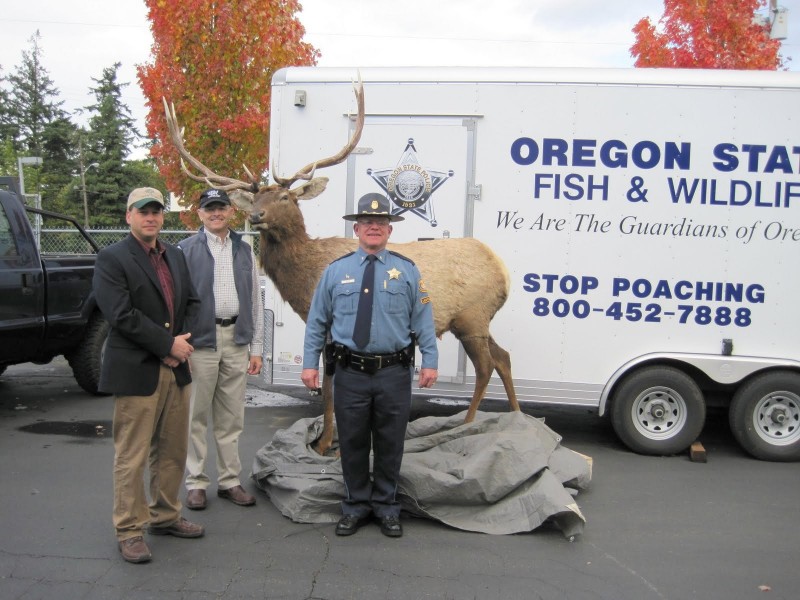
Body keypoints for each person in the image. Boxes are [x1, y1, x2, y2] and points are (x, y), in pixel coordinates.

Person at [301, 193, 438, 538]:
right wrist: (309, 364)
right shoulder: (336, 271)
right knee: (353, 441)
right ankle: (355, 506)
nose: (373, 227)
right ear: (357, 228)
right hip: (350, 373)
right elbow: (317, 321)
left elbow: (423, 319)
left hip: (394, 372)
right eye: (367, 222)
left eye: (380, 223)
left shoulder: (408, 271)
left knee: (391, 442)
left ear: (389, 230)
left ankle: (387, 507)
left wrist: (430, 361)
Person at [93, 187, 204, 564]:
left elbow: (190, 302)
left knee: (173, 451)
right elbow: (121, 315)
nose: (151, 217)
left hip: (176, 369)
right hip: (137, 371)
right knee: (133, 455)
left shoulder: (175, 255)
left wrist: (180, 345)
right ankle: (129, 529)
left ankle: (166, 515)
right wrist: (167, 346)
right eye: (143, 211)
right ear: (129, 216)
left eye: (156, 211)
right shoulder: (112, 259)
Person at [178, 188, 264, 510]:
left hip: (236, 340)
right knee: (195, 416)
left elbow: (255, 300)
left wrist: (256, 348)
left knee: (231, 418)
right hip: (200, 342)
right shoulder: (185, 250)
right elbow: (176, 304)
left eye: (220, 208)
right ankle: (196, 482)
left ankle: (229, 481)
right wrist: (179, 345)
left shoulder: (244, 251)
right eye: (209, 208)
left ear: (231, 212)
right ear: (199, 213)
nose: (215, 213)